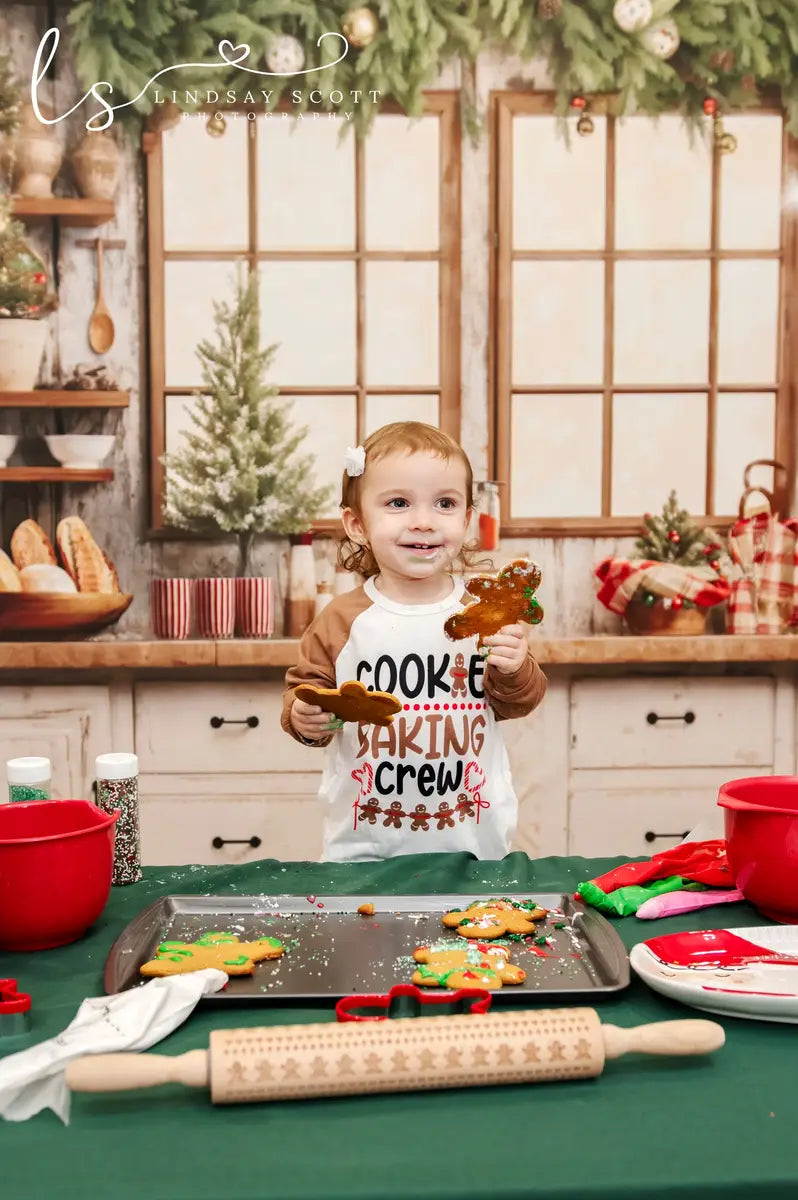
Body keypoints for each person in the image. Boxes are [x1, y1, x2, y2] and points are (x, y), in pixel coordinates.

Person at [281, 421, 546, 861]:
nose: (423, 522)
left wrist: (515, 667)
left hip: (472, 847)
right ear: (357, 523)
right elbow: (304, 692)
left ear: (465, 520)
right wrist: (304, 717)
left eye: (444, 504)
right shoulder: (341, 621)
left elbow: (520, 702)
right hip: (364, 849)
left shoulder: (482, 615)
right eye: (399, 503)